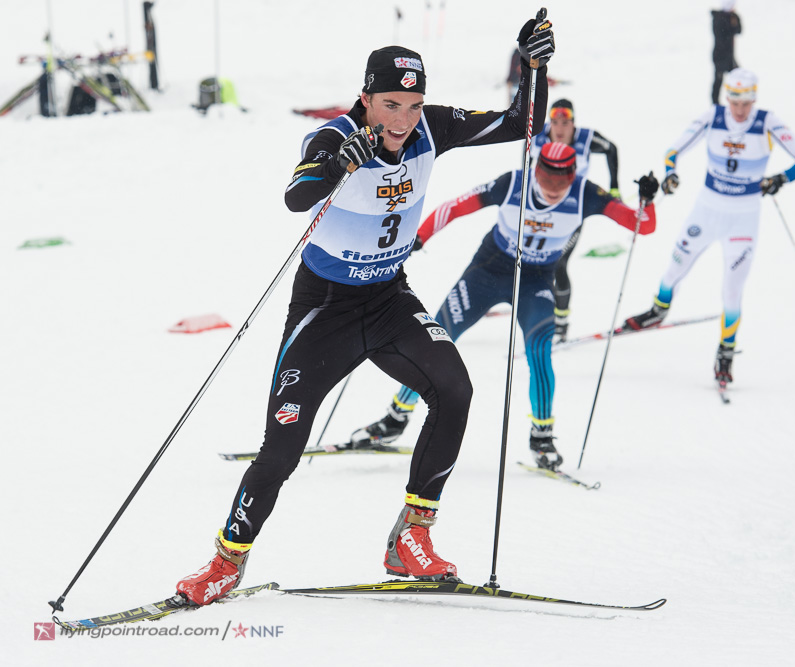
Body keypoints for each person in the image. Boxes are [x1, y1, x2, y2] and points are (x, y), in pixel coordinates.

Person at [174, 15, 556, 606]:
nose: (403, 119)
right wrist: (336, 165)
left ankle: (412, 536)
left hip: (387, 300)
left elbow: (518, 124)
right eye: (390, 104)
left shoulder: (432, 128)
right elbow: (295, 195)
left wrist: (535, 68)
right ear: (366, 97)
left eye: (413, 104)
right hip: (323, 310)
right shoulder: (334, 136)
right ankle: (226, 560)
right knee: (281, 448)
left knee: (454, 389)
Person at [350, 142, 658, 470]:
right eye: (546, 179)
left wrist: (647, 200)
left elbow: (642, 225)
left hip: (536, 281)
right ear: (536, 171)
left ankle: (542, 437)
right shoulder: (513, 183)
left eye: (561, 182)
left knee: (540, 349)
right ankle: (396, 418)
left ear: (573, 176)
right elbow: (454, 207)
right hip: (488, 270)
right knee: (436, 337)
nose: (553, 189)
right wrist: (421, 236)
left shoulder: (586, 193)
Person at [622, 68, 795, 387]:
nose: (740, 110)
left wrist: (780, 178)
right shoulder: (713, 116)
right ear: (727, 97)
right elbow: (673, 151)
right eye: (735, 102)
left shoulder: (767, 121)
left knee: (732, 289)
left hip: (744, 217)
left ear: (755, 98)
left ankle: (725, 351)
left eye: (747, 103)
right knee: (674, 266)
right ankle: (658, 309)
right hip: (707, 211)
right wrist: (671, 173)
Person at [528, 99, 621, 342]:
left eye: (565, 123)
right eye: (555, 122)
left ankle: (561, 322)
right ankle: (533, 299)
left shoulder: (586, 139)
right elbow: (526, 170)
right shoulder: (538, 137)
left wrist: (614, 188)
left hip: (571, 216)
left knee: (558, 263)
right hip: (539, 213)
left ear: (573, 124)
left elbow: (611, 149)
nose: (559, 129)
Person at [711, 1, 741, 104]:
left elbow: (739, 30)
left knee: (739, 77)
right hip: (719, 55)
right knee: (718, 80)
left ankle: (738, 101)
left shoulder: (732, 17)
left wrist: (735, 20)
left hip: (730, 56)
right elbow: (722, 36)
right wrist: (731, 25)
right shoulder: (718, 18)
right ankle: (715, 104)